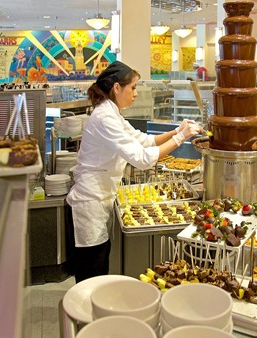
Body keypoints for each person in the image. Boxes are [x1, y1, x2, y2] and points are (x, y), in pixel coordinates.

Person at [66, 61, 202, 283]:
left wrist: (177, 129)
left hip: (101, 198)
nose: (136, 94)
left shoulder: (114, 114)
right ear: (117, 88)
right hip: (90, 202)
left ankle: (94, 313)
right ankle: (86, 316)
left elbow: (145, 141)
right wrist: (181, 137)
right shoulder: (104, 118)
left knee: (99, 266)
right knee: (91, 273)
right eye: (133, 88)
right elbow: (142, 159)